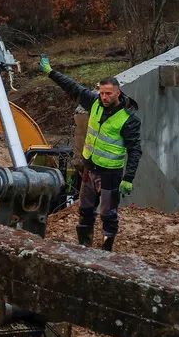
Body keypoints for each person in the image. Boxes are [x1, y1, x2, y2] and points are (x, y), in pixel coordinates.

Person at [40, 57, 141, 251]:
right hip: (90, 169)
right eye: (102, 93)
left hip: (110, 174)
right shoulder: (93, 102)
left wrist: (128, 178)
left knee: (108, 214)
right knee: (85, 210)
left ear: (118, 93)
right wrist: (50, 72)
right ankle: (84, 246)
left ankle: (106, 250)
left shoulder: (128, 119)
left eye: (108, 94)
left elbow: (135, 150)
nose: (104, 97)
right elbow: (72, 87)